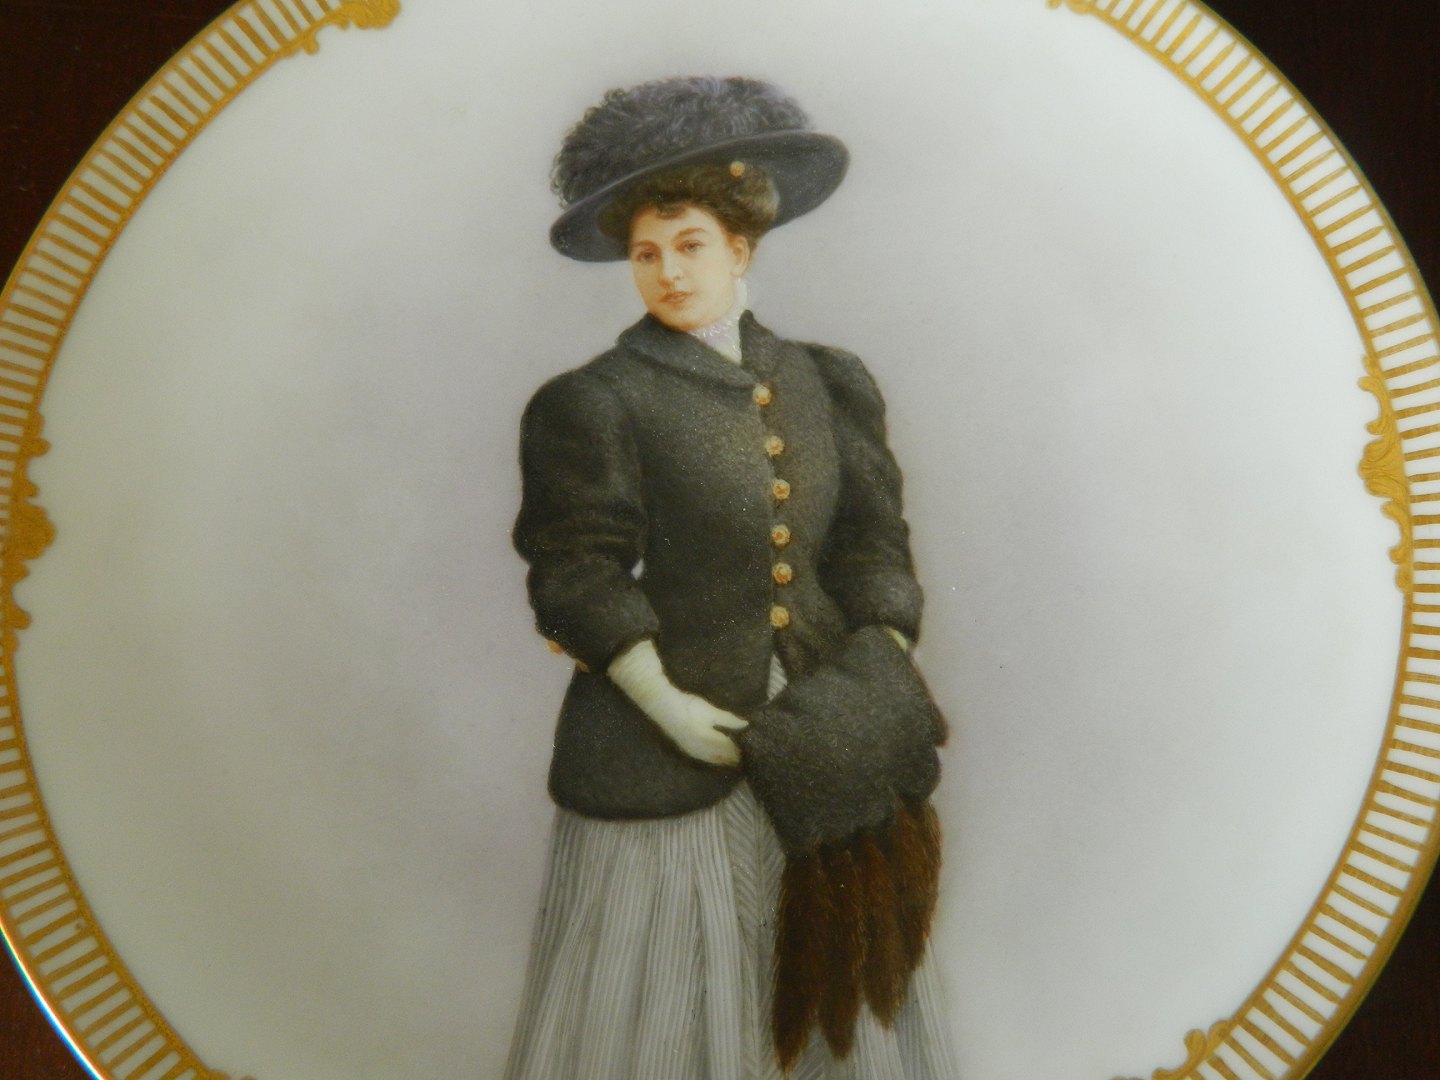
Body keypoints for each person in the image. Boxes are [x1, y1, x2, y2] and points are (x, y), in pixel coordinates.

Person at [506, 76, 957, 1079]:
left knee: (838, 998)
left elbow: (874, 543)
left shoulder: (829, 380)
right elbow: (575, 569)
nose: (669, 272)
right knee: (661, 1014)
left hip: (830, 739)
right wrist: (665, 703)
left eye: (690, 245)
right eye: (646, 254)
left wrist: (878, 665)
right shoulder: (594, 401)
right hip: (666, 751)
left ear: (741, 248)